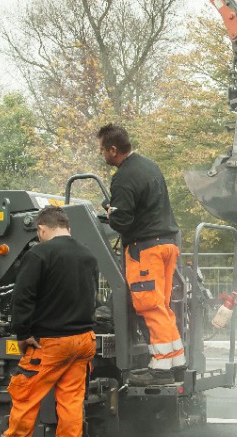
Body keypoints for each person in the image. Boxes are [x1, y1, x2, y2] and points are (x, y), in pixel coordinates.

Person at [0, 206, 97, 437]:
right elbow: (94, 298)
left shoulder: (39, 254)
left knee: (25, 395)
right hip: (84, 340)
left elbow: (23, 297)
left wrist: (22, 332)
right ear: (66, 227)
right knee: (71, 401)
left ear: (42, 229)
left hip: (51, 343)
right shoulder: (88, 254)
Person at [97, 123, 185, 385]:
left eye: (102, 149)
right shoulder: (149, 165)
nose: (101, 154)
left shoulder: (124, 176)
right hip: (167, 245)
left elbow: (122, 223)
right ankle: (176, 361)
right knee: (162, 306)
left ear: (113, 150)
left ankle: (159, 369)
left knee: (149, 306)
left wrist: (111, 213)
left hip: (146, 250)